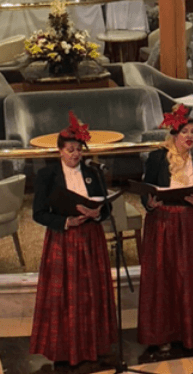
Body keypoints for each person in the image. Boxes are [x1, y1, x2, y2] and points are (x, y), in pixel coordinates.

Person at [30, 111, 117, 369]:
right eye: (70, 150)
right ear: (59, 151)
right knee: (65, 297)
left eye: (78, 149)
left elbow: (107, 207)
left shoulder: (93, 172)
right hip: (63, 239)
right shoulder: (47, 176)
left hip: (91, 239)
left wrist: (98, 213)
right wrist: (66, 221)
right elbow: (38, 213)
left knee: (92, 294)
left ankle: (93, 346)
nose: (75, 154)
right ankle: (65, 349)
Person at [137, 104, 193, 353]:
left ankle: (188, 333)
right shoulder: (158, 157)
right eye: (186, 132)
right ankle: (161, 334)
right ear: (174, 135)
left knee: (191, 279)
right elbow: (145, 190)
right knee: (162, 279)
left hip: (192, 223)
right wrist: (150, 202)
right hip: (162, 224)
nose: (191, 136)